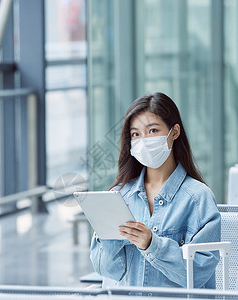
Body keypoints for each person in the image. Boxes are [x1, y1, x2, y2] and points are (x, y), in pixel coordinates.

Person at [90, 92, 221, 289]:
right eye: (135, 134)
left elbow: (199, 273)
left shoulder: (197, 198)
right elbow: (107, 270)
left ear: (174, 132)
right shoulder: (120, 195)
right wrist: (108, 232)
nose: (143, 140)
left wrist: (153, 245)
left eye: (152, 131)